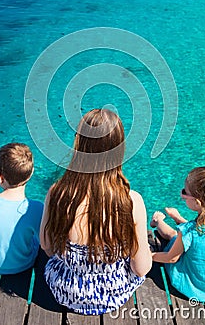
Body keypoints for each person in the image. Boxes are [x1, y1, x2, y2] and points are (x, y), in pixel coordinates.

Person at [40, 109, 152, 315]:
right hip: (114, 294)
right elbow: (141, 268)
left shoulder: (57, 193)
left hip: (65, 291)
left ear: (79, 144)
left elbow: (46, 246)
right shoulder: (131, 202)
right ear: (119, 149)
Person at [150, 166, 205, 302]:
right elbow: (203, 233)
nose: (182, 195)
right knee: (181, 235)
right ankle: (173, 219)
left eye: (184, 192)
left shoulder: (189, 231)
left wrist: (148, 256)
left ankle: (157, 221)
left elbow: (171, 258)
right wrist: (179, 219)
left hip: (195, 286)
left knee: (174, 235)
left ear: (197, 202)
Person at [0, 143, 44, 274]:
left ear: (0, 178)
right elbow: (42, 241)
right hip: (24, 264)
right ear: (31, 174)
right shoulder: (37, 208)